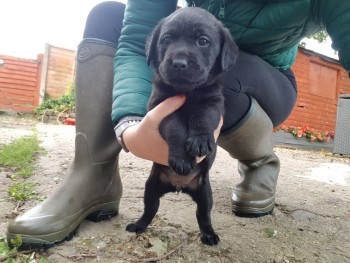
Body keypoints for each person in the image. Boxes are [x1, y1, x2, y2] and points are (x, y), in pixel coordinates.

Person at [7, 0, 350, 250]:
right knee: (108, 15)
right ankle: (93, 176)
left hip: (264, 77)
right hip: (195, 76)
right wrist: (130, 122)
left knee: (221, 81)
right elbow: (137, 36)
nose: (178, 52)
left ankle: (260, 161)